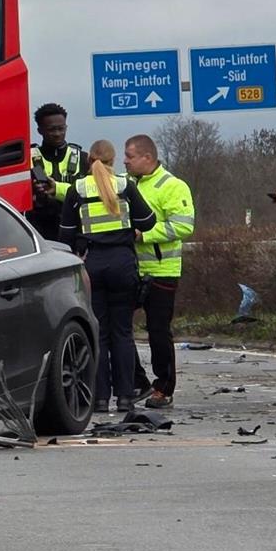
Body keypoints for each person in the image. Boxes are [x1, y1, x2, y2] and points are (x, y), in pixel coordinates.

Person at [60, 140, 156, 412]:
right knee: (123, 334)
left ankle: (99, 398)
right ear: (113, 160)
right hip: (123, 262)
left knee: (98, 333)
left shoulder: (76, 189)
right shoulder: (125, 185)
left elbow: (65, 234)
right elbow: (148, 221)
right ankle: (125, 397)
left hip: (93, 263)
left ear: (90, 160)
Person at [124, 135, 196, 409]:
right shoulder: (127, 184)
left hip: (162, 269)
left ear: (147, 158)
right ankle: (138, 382)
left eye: (130, 156)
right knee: (117, 328)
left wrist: (144, 235)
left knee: (158, 331)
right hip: (131, 269)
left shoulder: (173, 186)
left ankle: (163, 388)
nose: (125, 161)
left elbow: (184, 226)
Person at [26, 103, 89, 240]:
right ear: (40, 130)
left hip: (76, 234)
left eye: (61, 128)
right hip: (40, 233)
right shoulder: (27, 160)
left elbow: (90, 193)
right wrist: (35, 193)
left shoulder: (82, 158)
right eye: (51, 129)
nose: (57, 134)